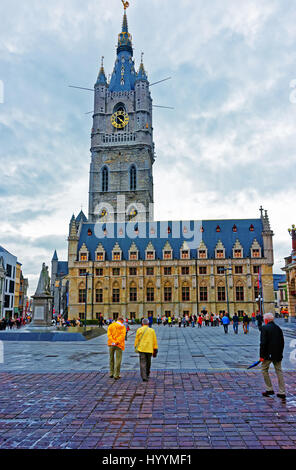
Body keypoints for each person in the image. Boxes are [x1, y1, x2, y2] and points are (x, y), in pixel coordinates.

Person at [260, 312, 286, 399]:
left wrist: (262, 355)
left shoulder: (264, 328)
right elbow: (282, 342)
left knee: (264, 369)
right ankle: (282, 392)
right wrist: (280, 353)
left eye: (264, 319)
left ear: (266, 320)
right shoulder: (278, 328)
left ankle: (269, 388)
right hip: (277, 354)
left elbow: (263, 343)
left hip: (267, 355)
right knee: (279, 371)